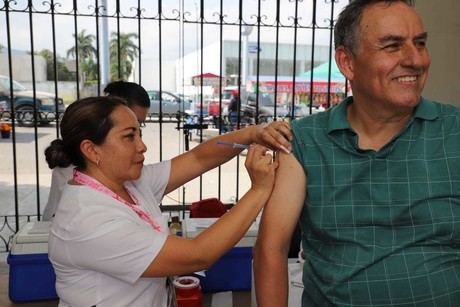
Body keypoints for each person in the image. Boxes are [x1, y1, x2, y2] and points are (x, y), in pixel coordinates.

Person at [253, 0, 460, 306]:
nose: (416, 60)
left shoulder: (454, 131)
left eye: (419, 43)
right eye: (392, 46)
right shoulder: (304, 142)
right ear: (347, 62)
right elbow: (271, 248)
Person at [44, 95, 292, 306]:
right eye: (129, 137)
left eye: (139, 133)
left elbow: (199, 158)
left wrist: (251, 134)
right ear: (91, 150)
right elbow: (199, 254)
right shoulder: (87, 219)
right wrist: (258, 190)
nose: (142, 146)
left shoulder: (130, 183)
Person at [42, 80, 151, 221]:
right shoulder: (85, 201)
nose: (142, 146)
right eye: (129, 133)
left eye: (140, 126)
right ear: (91, 150)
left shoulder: (120, 176)